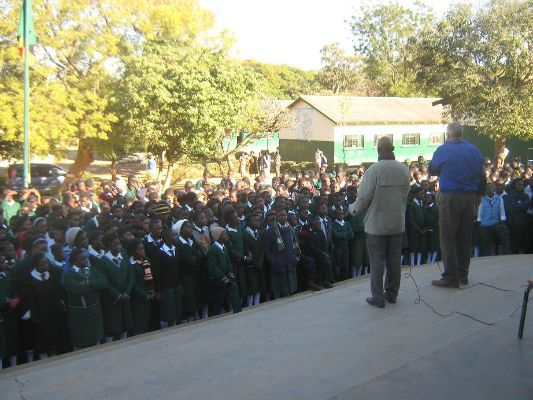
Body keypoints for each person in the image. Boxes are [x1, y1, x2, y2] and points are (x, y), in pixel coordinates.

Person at [350, 136, 410, 308]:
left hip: (377, 225)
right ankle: (392, 294)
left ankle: (378, 297)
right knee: (394, 260)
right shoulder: (403, 169)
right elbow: (406, 195)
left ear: (378, 150)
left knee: (377, 262)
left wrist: (352, 209)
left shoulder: (373, 170)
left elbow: (362, 198)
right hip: (397, 223)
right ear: (393, 149)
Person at [429, 122, 484, 288]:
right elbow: (482, 175)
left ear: (448, 134)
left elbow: (432, 170)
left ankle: (450, 276)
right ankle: (463, 275)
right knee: (465, 237)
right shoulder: (474, 150)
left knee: (448, 237)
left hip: (451, 197)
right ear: (462, 133)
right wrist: (477, 197)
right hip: (470, 197)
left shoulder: (444, 149)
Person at [477, 182, 510, 256]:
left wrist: (503, 220)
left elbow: (502, 211)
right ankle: (485, 255)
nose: (489, 190)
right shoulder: (482, 199)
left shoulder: (499, 198)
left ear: (494, 189)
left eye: (491, 188)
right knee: (484, 238)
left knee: (505, 231)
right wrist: (479, 221)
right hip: (485, 223)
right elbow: (480, 212)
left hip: (496, 222)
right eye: (487, 188)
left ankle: (506, 253)